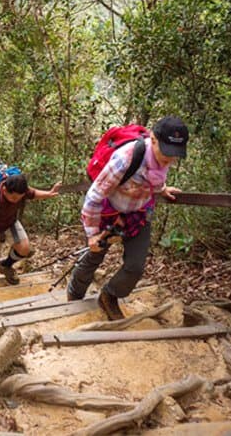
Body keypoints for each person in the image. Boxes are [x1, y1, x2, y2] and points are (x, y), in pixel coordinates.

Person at [67, 116, 188, 320]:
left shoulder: (162, 161)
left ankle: (109, 295)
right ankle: (75, 292)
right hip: (110, 214)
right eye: (166, 151)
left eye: (175, 154)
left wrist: (162, 189)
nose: (170, 159)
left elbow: (153, 180)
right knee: (95, 254)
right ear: (153, 139)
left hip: (139, 213)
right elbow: (94, 196)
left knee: (135, 266)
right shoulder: (125, 158)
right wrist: (92, 234)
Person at [0, 173, 62, 284]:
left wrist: (49, 193)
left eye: (19, 198)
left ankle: (5, 266)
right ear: (5, 190)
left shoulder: (21, 190)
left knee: (25, 249)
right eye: (14, 197)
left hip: (10, 223)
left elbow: (33, 193)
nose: (16, 200)